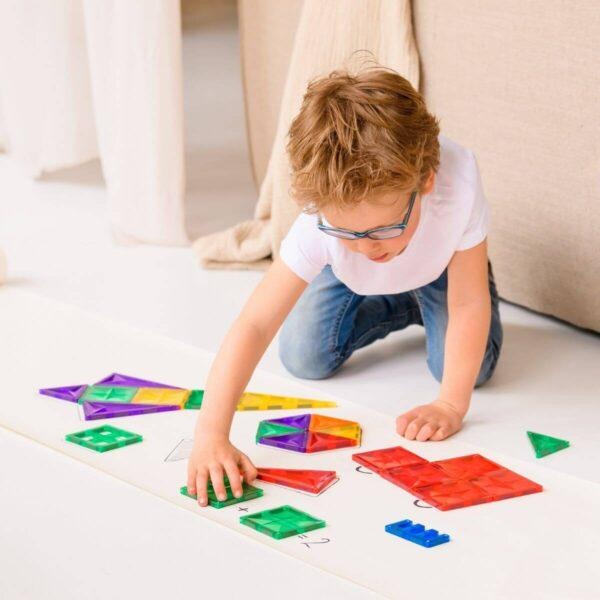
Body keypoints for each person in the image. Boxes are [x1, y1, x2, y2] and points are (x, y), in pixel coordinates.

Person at [187, 65, 502, 506]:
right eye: (347, 231)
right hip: (352, 278)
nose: (367, 246)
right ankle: (400, 302)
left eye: (382, 229)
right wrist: (210, 434)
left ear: (425, 182)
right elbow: (255, 324)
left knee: (472, 371)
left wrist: (450, 405)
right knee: (304, 356)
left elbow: (467, 302)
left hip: (442, 272)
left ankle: (419, 300)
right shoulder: (321, 225)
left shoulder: (458, 181)